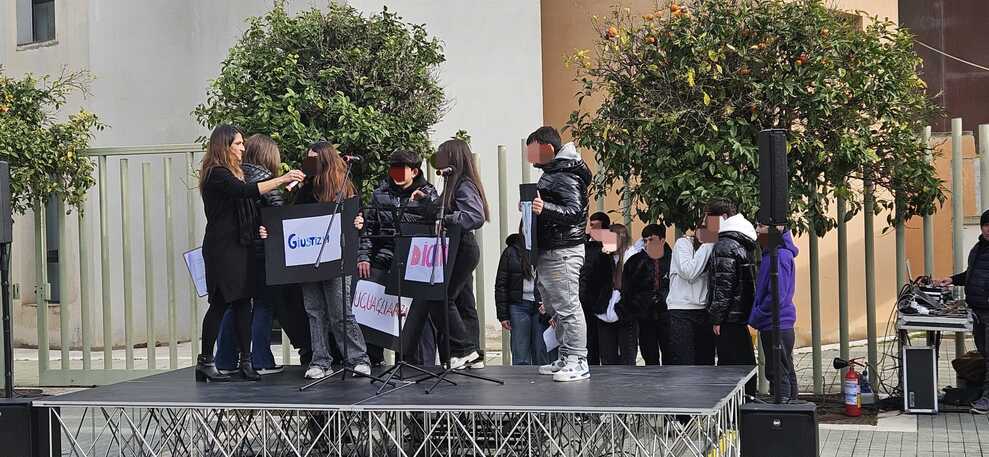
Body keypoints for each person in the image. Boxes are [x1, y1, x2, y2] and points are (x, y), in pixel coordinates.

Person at [195, 125, 304, 382]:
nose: (243, 148)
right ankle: (205, 361)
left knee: (244, 302)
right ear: (224, 146)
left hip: (241, 245)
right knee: (220, 303)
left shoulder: (237, 173)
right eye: (238, 144)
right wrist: (282, 179)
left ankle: (246, 361)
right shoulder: (216, 173)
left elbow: (246, 207)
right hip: (223, 249)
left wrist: (260, 228)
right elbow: (244, 192)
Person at [269, 141, 371, 379]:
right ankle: (320, 360)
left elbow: (357, 216)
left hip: (336, 258)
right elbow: (294, 218)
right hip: (309, 257)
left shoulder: (344, 186)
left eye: (313, 159)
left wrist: (359, 223)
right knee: (314, 311)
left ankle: (358, 358)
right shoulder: (305, 189)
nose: (309, 163)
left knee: (340, 311)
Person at [401, 139, 487, 369]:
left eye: (442, 154)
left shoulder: (464, 184)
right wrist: (426, 202)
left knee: (441, 298)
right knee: (460, 301)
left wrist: (446, 219)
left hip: (462, 248)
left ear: (452, 157)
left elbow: (474, 216)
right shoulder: (453, 183)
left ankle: (465, 350)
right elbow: (443, 209)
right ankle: (469, 353)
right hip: (455, 248)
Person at [213, 134, 290, 375]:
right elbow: (278, 215)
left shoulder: (235, 176)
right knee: (264, 304)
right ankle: (261, 359)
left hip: (242, 250)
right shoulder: (266, 179)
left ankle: (225, 359)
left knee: (235, 304)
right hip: (264, 252)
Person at [356, 149, 439, 366]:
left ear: (415, 171)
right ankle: (372, 359)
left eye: (402, 169)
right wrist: (364, 256)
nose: (397, 174)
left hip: (414, 262)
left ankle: (416, 363)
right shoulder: (379, 193)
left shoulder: (428, 193)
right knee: (371, 309)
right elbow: (369, 229)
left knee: (416, 317)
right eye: (393, 168)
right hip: (384, 259)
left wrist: (426, 203)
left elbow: (436, 225)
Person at [527, 126, 593, 382]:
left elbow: (576, 212)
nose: (530, 158)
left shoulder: (566, 174)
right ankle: (566, 356)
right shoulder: (554, 172)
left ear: (548, 148)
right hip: (551, 249)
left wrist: (544, 208)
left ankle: (578, 359)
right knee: (555, 306)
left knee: (567, 305)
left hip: (563, 250)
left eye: (533, 151)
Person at [937, 209, 989, 414]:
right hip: (978, 311)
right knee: (985, 354)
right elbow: (972, 274)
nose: (988, 229)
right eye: (985, 225)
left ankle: (986, 400)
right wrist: (951, 279)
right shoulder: (978, 248)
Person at [706, 198, 758, 394]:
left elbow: (723, 286)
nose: (708, 223)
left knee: (729, 366)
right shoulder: (743, 239)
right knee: (744, 360)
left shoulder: (724, 245)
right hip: (741, 312)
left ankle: (735, 407)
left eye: (710, 218)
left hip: (728, 316)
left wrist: (716, 318)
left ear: (723, 217)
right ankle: (748, 399)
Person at [749, 226, 800, 402]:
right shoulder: (773, 254)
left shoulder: (779, 256)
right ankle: (790, 408)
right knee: (783, 370)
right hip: (774, 323)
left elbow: (777, 294)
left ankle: (783, 411)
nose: (757, 230)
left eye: (761, 225)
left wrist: (759, 313)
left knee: (778, 373)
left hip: (776, 323)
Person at [496, 233, 552, 365]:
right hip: (518, 306)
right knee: (520, 353)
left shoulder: (547, 248)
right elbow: (501, 284)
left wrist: (551, 306)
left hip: (541, 306)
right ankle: (521, 378)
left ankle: (542, 378)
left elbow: (555, 281)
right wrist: (503, 315)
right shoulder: (511, 251)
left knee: (541, 352)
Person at [666, 221, 716, 366]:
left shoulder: (714, 247)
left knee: (705, 362)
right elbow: (688, 272)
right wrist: (708, 243)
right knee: (684, 363)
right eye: (703, 228)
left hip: (704, 310)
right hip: (681, 310)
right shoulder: (683, 243)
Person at [623, 224, 673, 365]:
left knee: (670, 354)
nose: (647, 244)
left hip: (668, 314)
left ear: (662, 240)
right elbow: (627, 288)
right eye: (645, 240)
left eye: (651, 240)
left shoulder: (672, 259)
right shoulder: (635, 261)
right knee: (649, 355)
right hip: (644, 316)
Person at [590, 224, 639, 365]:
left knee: (627, 357)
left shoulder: (633, 256)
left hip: (625, 312)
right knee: (607, 357)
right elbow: (594, 282)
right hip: (604, 311)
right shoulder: (604, 257)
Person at [579, 212, 610, 365]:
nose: (592, 229)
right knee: (589, 342)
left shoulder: (609, 243)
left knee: (606, 345)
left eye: (596, 226)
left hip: (604, 301)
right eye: (591, 225)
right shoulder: (583, 243)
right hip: (585, 299)